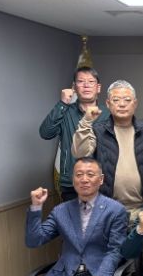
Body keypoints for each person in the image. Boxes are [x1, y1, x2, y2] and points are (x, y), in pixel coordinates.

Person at [72, 80, 143, 223]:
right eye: (116, 100)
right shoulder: (98, 130)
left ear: (135, 103)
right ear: (108, 103)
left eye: (127, 100)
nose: (122, 104)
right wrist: (86, 121)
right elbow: (80, 153)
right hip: (106, 209)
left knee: (140, 238)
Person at [39, 66, 109, 201]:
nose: (86, 85)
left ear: (98, 87)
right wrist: (63, 103)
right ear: (74, 87)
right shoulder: (64, 111)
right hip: (71, 183)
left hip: (101, 182)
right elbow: (45, 133)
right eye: (81, 81)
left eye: (91, 81)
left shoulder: (108, 114)